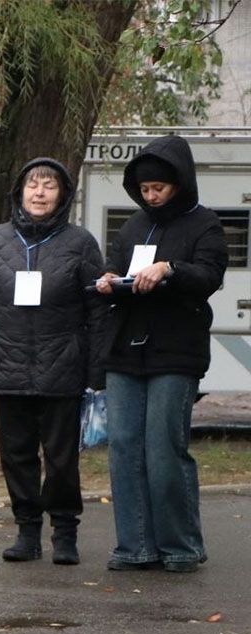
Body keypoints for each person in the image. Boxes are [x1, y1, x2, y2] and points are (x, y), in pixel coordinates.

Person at [0, 158, 107, 566]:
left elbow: (97, 311)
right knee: (17, 455)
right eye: (32, 184)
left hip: (63, 370)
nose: (39, 192)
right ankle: (27, 531)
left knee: (61, 460)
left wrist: (96, 372)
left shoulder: (80, 243)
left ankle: (65, 533)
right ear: (20, 192)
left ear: (63, 195)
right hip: (7, 368)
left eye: (49, 186)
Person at [94, 135, 228, 573]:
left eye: (159, 188)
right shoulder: (133, 226)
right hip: (126, 351)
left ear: (180, 183)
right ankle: (135, 547)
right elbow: (115, 268)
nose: (151, 196)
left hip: (176, 351)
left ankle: (180, 546)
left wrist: (170, 269)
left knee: (163, 449)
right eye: (144, 190)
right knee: (124, 449)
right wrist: (109, 280)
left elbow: (209, 275)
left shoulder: (204, 224)